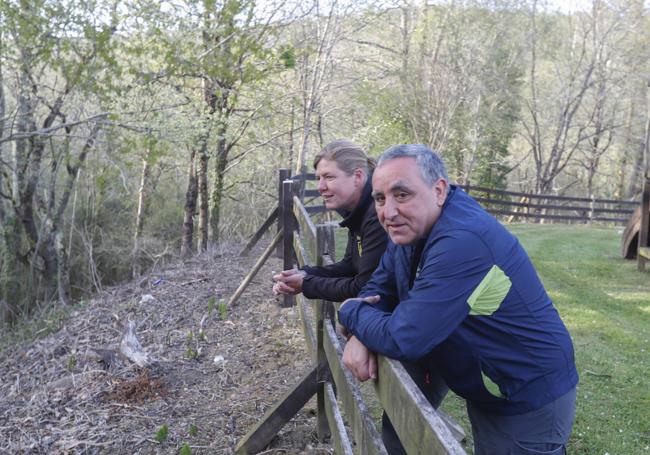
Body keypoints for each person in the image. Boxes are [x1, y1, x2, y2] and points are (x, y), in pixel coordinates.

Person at [338, 144, 578, 455]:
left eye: (402, 194)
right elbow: (380, 289)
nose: (388, 211)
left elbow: (405, 336)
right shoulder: (410, 228)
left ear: (438, 190)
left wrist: (351, 312)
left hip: (527, 389)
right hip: (488, 381)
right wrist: (361, 329)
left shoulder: (462, 239)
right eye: (380, 198)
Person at [272, 139, 388, 305]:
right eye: (319, 178)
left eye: (329, 177)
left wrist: (306, 284)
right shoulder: (358, 212)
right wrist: (306, 274)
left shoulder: (378, 216)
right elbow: (350, 266)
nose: (320, 186)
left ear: (358, 176)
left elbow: (363, 287)